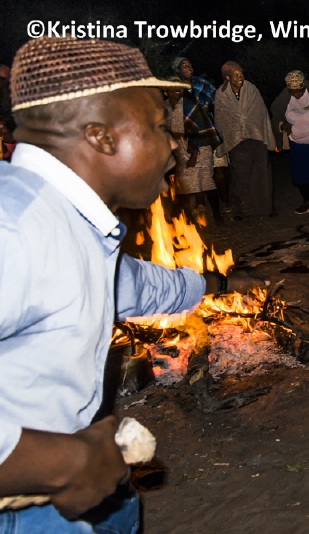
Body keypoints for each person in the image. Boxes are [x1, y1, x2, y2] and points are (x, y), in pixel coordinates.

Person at [0, 36, 260, 533]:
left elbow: (133, 284)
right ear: (101, 137)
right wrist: (61, 463)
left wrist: (218, 281)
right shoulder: (13, 223)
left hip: (81, 470)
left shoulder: (65, 222)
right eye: (160, 126)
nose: (174, 143)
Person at [214, 61, 277, 220]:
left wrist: (260, 131)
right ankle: (244, 209)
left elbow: (261, 112)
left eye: (241, 74)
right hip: (236, 141)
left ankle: (266, 208)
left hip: (256, 138)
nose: (240, 77)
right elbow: (220, 118)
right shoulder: (221, 94)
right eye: (236, 75)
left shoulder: (251, 89)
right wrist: (229, 134)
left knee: (261, 174)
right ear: (227, 77)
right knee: (240, 176)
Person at [164, 83, 223, 224]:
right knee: (184, 185)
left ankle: (217, 215)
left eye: (179, 89)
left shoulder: (189, 106)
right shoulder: (164, 108)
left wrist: (194, 155)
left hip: (201, 147)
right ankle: (187, 218)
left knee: (206, 182)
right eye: (173, 90)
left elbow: (198, 132)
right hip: (181, 149)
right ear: (166, 92)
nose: (177, 92)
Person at [274, 70, 309, 214]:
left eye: (299, 92)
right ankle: (308, 202)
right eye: (293, 92)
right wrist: (282, 125)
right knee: (300, 174)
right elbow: (276, 115)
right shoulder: (285, 97)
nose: (297, 95)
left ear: (304, 86)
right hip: (295, 142)